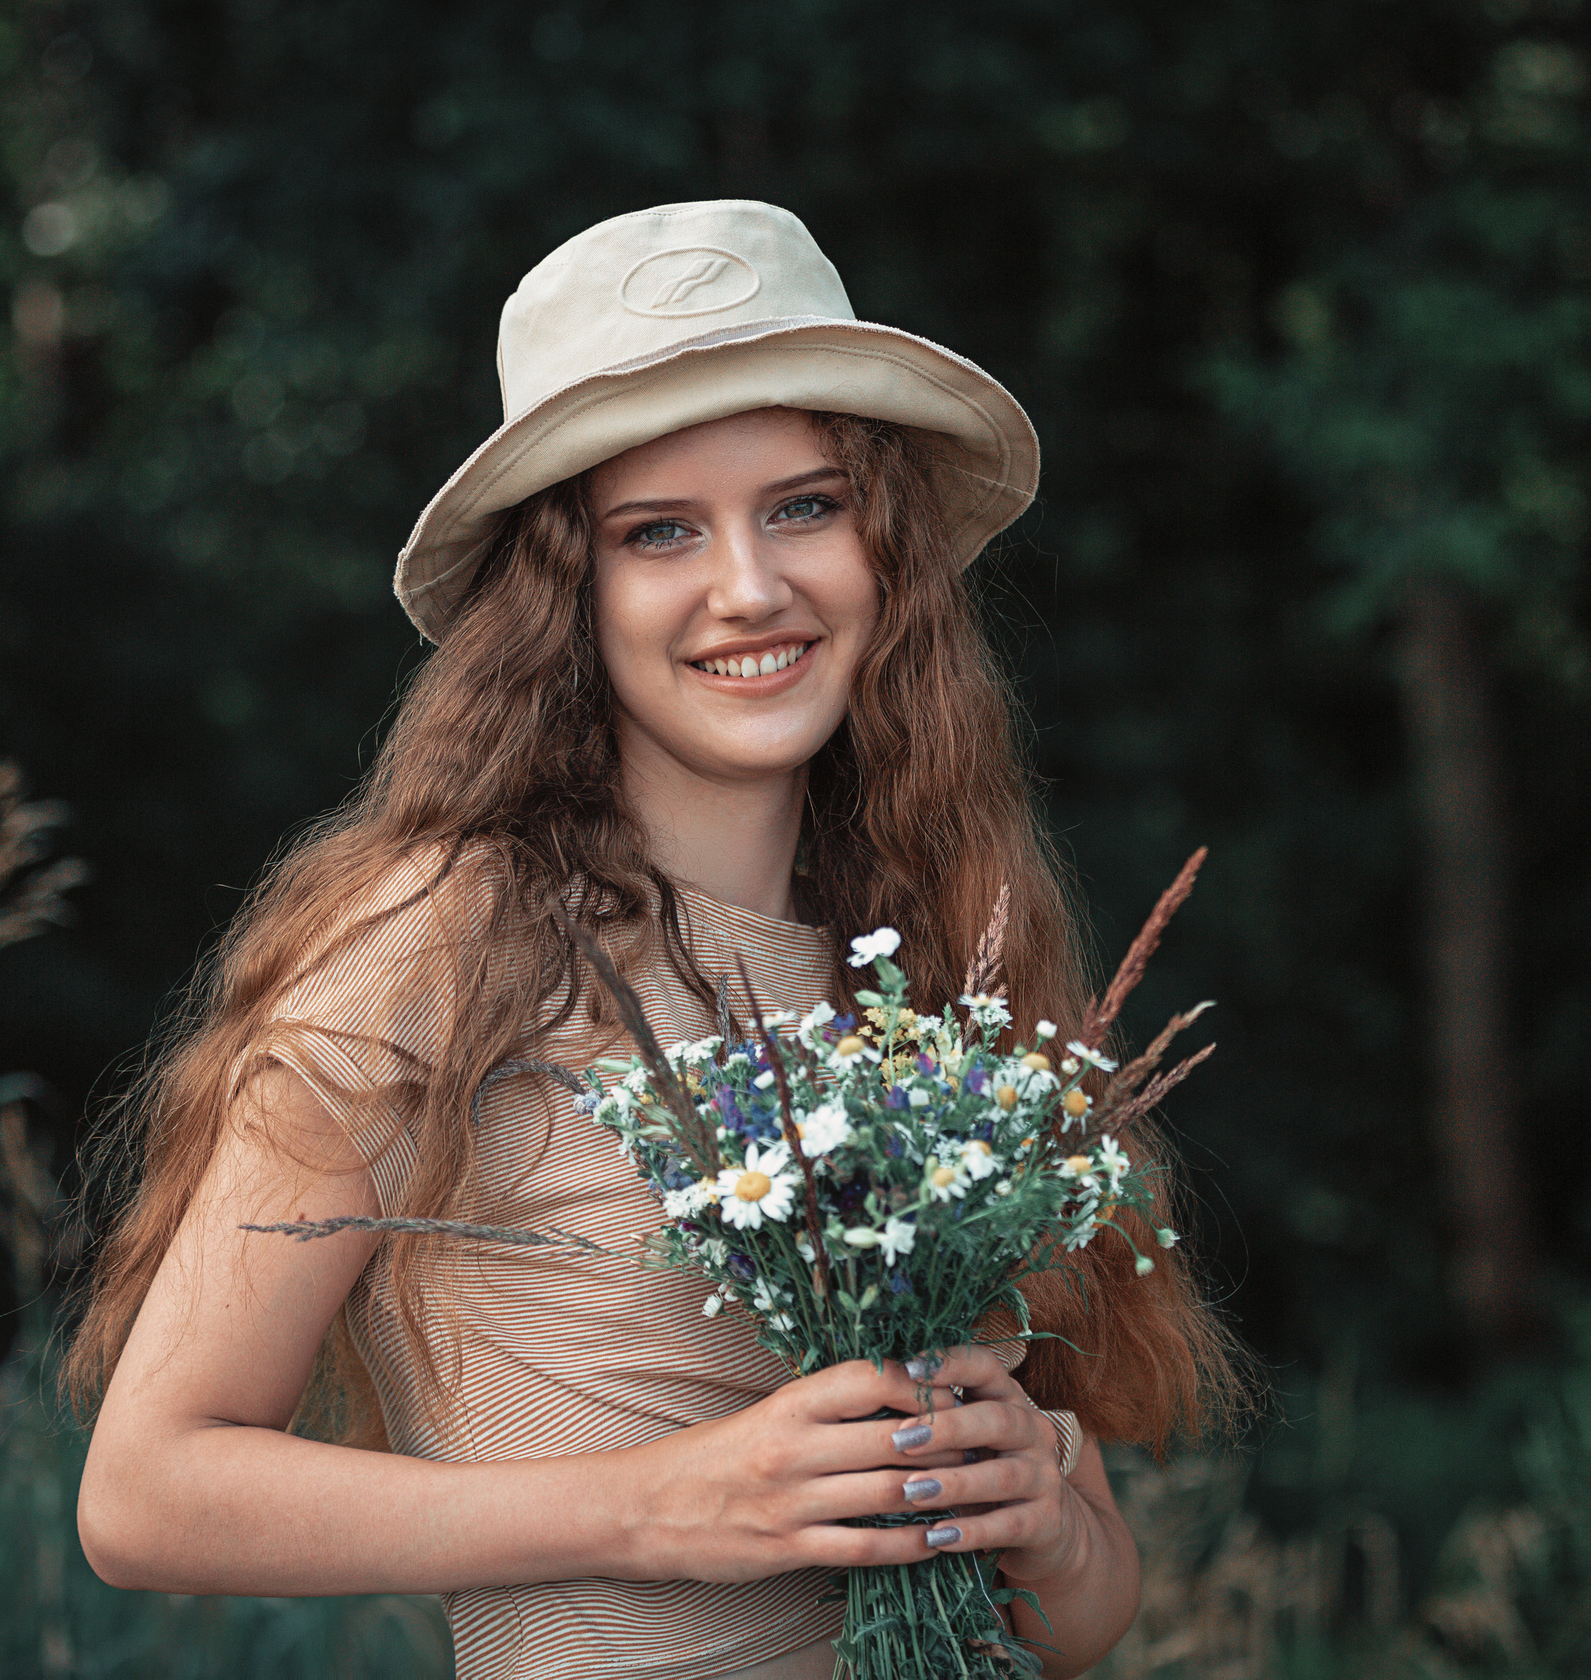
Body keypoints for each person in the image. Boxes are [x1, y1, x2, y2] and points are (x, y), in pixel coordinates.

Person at [65, 200, 1243, 1680]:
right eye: (660, 532)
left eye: (806, 508)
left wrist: (1047, 1519)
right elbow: (146, 1495)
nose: (750, 587)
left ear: (887, 548)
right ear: (567, 595)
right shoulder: (446, 944)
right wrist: (658, 1506)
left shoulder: (938, 951)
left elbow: (1075, 1621)